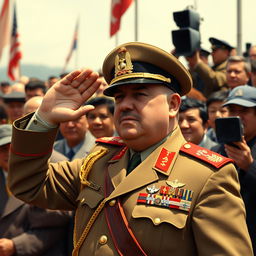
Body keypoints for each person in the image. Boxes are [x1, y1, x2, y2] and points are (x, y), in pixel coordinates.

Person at [8, 42, 253, 256]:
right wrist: (43, 120)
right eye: (120, 98)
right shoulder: (98, 161)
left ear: (173, 104)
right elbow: (28, 184)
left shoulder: (207, 175)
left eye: (139, 94)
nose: (125, 105)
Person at [0, 124, 71, 256]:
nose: (8, 154)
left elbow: (54, 225)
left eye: (12, 148)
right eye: (3, 149)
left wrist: (15, 245)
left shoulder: (40, 173)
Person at [211, 85, 256, 254]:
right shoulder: (216, 151)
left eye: (244, 111)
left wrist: (250, 167)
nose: (237, 116)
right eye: (232, 110)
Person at [24, 96, 68, 162]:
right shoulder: (10, 153)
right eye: (29, 116)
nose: (34, 122)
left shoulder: (59, 162)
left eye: (40, 117)